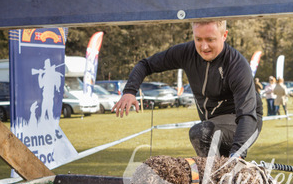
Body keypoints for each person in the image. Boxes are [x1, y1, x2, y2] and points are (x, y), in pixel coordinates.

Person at [112, 20, 263, 158]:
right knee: (208, 147)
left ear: (224, 35)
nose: (204, 47)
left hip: (246, 121)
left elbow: (247, 115)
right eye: (198, 39)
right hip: (212, 125)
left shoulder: (237, 66)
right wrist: (129, 91)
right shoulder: (186, 52)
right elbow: (145, 65)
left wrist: (237, 155)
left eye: (210, 39)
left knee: (201, 134)